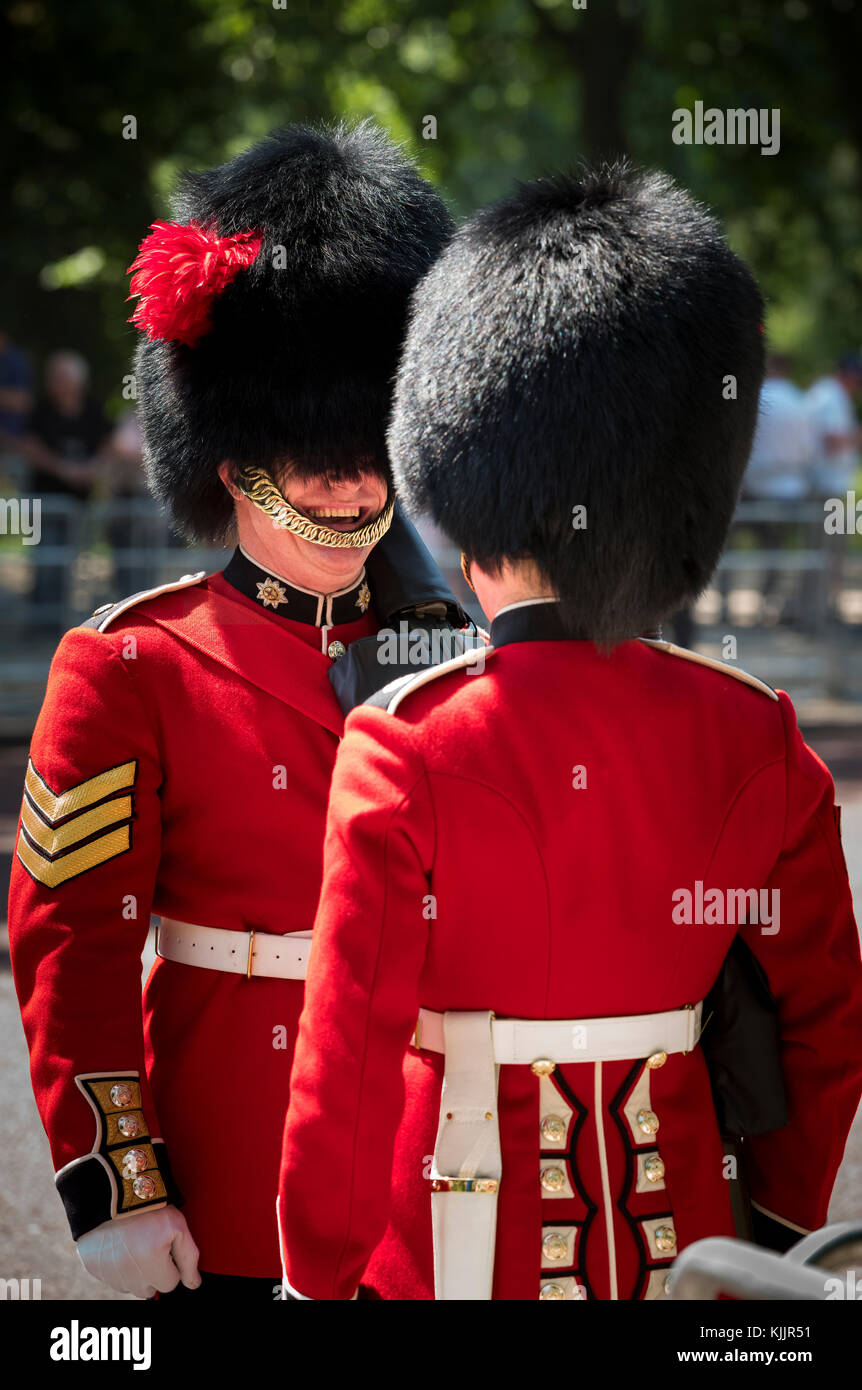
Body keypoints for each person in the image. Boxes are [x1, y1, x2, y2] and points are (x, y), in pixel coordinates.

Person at [277, 166, 862, 1301]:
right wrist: (772, 1234)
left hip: (449, 1253)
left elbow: (343, 1066)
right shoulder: (753, 734)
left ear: (466, 506)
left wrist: (312, 1281)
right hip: (694, 1248)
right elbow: (825, 1025)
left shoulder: (406, 744)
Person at [8, 121, 468, 1301]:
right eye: (313, 452)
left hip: (442, 1156)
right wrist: (119, 1184)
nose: (352, 482)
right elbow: (75, 941)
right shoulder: (134, 666)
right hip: (232, 1161)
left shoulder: (460, 655)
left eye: (371, 445)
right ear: (231, 452)